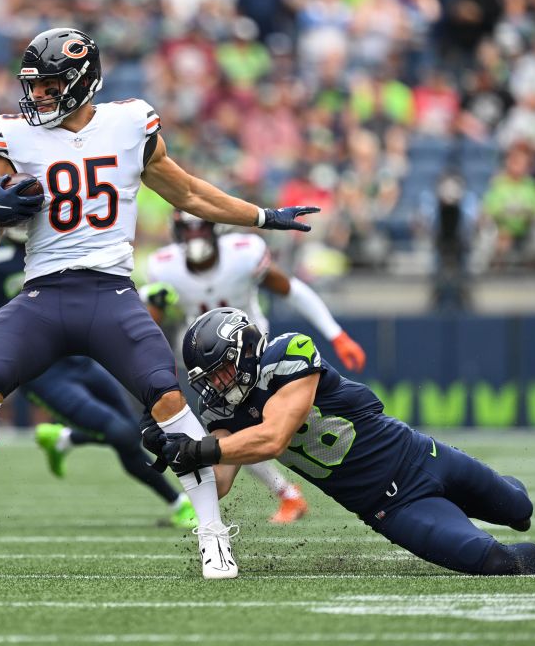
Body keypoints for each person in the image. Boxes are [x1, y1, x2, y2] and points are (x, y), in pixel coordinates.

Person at [0, 28, 318, 580]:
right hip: (44, 293)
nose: (39, 97)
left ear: (81, 82)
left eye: (50, 85)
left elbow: (189, 193)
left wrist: (263, 216)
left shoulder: (128, 125)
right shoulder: (11, 135)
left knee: (169, 401)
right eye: (36, 86)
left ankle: (213, 535)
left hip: (110, 292)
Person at [145, 307, 535, 577]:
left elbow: (274, 436)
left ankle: (487, 497)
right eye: (209, 377)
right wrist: (176, 447)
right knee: (492, 560)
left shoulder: (289, 352)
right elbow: (223, 481)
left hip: (421, 455)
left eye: (223, 369)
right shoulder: (223, 409)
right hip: (390, 507)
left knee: (519, 507)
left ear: (246, 349)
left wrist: (198, 449)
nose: (217, 384)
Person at [0, 233, 197, 529]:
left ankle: (65, 439)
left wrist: (146, 297)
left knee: (132, 433)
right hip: (41, 371)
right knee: (121, 433)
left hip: (82, 356)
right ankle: (179, 503)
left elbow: (101, 286)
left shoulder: (66, 234)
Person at [141, 211, 370, 523]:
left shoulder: (243, 254)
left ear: (214, 228)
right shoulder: (164, 266)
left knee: (248, 427)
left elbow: (290, 288)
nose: (195, 237)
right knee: (232, 428)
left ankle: (286, 493)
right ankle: (279, 494)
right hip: (207, 368)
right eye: (187, 230)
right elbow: (149, 321)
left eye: (201, 228)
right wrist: (152, 302)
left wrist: (336, 333)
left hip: (252, 355)